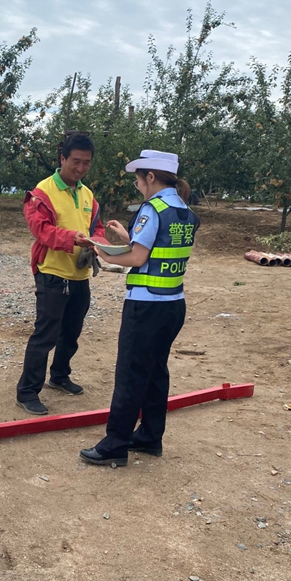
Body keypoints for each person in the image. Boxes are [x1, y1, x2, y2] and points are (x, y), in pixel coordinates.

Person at [80, 150, 199, 466]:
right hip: (173, 304)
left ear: (151, 177)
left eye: (138, 180)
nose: (138, 186)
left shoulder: (152, 209)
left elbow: (137, 257)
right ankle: (149, 436)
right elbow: (158, 246)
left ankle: (115, 445)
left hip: (146, 306)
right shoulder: (184, 209)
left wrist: (103, 252)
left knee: (131, 374)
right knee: (156, 371)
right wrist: (127, 235)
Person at [16, 134, 108, 416]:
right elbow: (41, 230)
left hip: (79, 275)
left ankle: (59, 375)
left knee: (72, 331)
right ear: (63, 159)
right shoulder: (41, 193)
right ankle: (27, 392)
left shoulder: (87, 194)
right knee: (46, 334)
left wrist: (99, 242)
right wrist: (72, 239)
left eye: (86, 163)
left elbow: (97, 227)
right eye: (75, 161)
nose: (80, 168)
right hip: (53, 274)